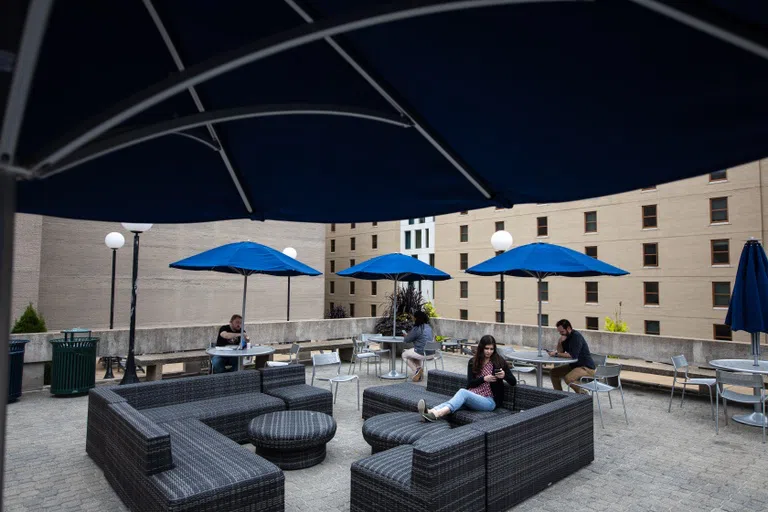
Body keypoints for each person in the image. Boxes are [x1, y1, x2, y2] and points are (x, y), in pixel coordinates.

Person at [420, 335, 516, 421]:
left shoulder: (499, 361)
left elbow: (513, 382)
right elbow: (470, 383)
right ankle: (430, 412)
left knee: (462, 392)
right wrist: (484, 379)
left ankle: (437, 413)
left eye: (492, 349)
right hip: (473, 396)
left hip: (489, 401)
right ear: (481, 348)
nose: (489, 351)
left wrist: (504, 376)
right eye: (487, 348)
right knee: (455, 402)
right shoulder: (473, 362)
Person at [548, 319, 596, 393]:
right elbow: (560, 352)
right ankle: (559, 394)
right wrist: (560, 342)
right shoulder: (565, 337)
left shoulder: (576, 337)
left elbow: (572, 355)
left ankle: (583, 394)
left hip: (586, 367)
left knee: (569, 378)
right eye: (559, 332)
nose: (561, 334)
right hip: (574, 366)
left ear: (568, 328)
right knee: (553, 372)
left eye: (562, 332)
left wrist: (556, 354)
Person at [401, 311, 434, 382]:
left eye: (413, 317)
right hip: (432, 353)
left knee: (404, 355)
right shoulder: (429, 327)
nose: (413, 319)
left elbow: (407, 340)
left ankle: (416, 370)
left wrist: (406, 336)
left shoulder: (417, 328)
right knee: (415, 353)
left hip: (423, 353)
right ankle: (419, 373)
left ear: (416, 318)